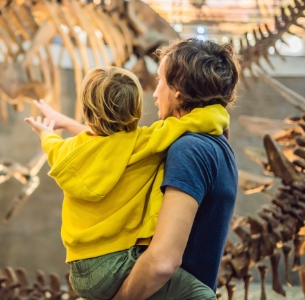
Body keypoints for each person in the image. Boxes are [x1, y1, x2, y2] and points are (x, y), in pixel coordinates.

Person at [30, 38, 240, 300]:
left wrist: (51, 133)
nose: (154, 92)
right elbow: (118, 149)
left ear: (179, 92)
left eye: (160, 80)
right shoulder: (211, 143)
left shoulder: (190, 150)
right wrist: (220, 116)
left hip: (84, 269)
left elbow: (162, 263)